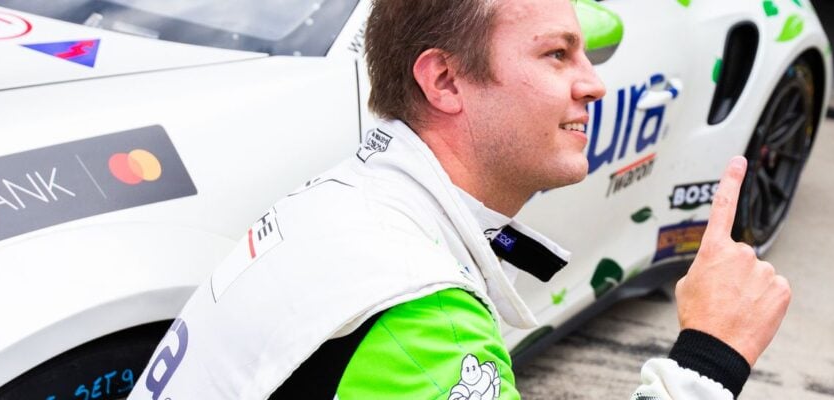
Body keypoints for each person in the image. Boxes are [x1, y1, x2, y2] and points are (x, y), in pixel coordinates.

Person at [127, 0, 793, 399]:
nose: (594, 84)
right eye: (557, 55)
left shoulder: (346, 201)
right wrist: (709, 355)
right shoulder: (422, 322)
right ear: (445, 80)